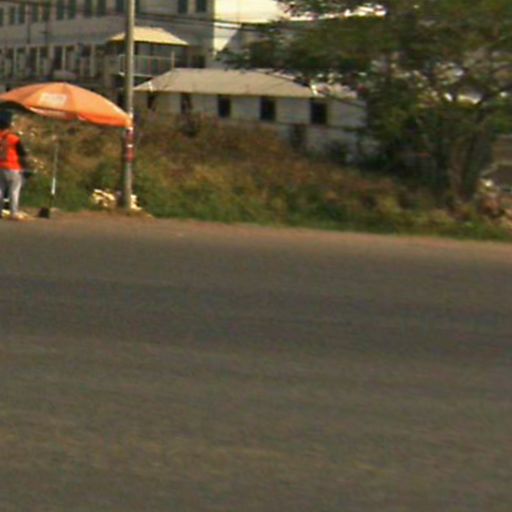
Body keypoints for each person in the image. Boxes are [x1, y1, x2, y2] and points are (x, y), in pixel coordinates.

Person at [0, 110, 29, 220]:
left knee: (0, 189)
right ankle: (14, 212)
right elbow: (22, 153)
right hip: (13, 167)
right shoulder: (14, 138)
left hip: (0, 166)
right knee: (14, 191)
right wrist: (26, 165)